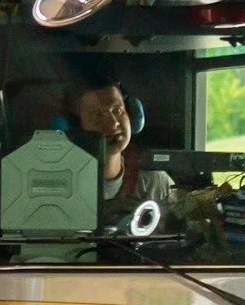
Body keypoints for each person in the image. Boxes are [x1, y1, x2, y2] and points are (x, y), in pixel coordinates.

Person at [71, 76, 175, 224]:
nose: (113, 123)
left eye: (118, 110)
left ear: (132, 116)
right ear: (76, 128)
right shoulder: (62, 183)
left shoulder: (154, 182)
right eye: (97, 114)